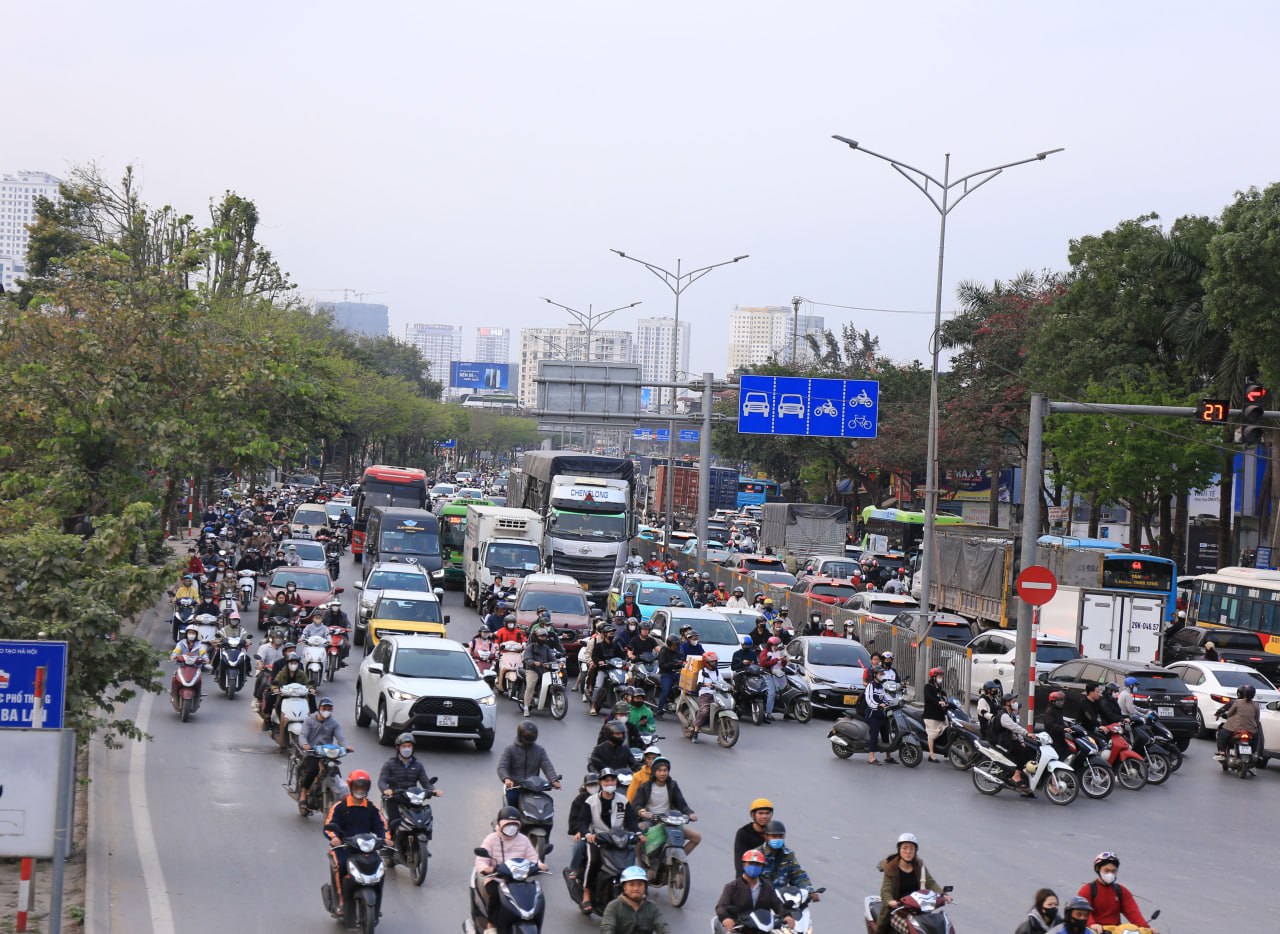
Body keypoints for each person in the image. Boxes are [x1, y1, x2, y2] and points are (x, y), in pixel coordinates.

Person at [322, 770, 390, 922]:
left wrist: (386, 839)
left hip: (366, 846)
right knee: (340, 865)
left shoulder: (371, 808)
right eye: (357, 786)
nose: (360, 790)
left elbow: (381, 826)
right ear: (351, 786)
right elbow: (329, 826)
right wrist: (335, 838)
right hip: (343, 847)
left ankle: (376, 905)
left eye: (363, 787)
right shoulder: (340, 806)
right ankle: (340, 902)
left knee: (380, 868)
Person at [569, 767, 639, 914]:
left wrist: (637, 833)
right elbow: (582, 821)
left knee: (630, 862)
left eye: (612, 780)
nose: (609, 783)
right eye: (606, 780)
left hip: (619, 839)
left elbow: (631, 820)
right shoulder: (591, 801)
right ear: (601, 783)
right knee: (593, 861)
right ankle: (586, 894)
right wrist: (588, 833)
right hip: (598, 839)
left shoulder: (623, 800)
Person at [472, 806, 546, 932]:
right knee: (496, 895)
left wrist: (540, 865)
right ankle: (491, 926)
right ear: (500, 824)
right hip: (496, 879)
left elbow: (532, 857)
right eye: (508, 824)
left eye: (514, 824)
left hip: (519, 880)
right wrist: (486, 868)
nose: (511, 827)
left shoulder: (523, 840)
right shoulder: (492, 839)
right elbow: (480, 860)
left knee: (535, 895)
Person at [876, 833, 947, 934]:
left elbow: (931, 883)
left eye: (911, 848)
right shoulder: (891, 868)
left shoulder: (919, 866)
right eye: (905, 848)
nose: (908, 852)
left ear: (915, 851)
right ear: (899, 849)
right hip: (898, 909)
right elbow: (886, 890)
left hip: (918, 908)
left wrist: (943, 894)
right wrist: (890, 901)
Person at [632, 756, 701, 855]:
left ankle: (678, 860)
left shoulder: (672, 785)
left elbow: (682, 804)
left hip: (670, 821)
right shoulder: (645, 786)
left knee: (696, 837)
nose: (662, 773)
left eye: (665, 770)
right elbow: (636, 805)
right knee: (638, 833)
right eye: (659, 770)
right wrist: (643, 812)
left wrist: (690, 814)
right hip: (652, 820)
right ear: (654, 771)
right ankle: (641, 863)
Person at [715, 849, 794, 930]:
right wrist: (726, 918)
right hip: (740, 928)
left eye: (758, 864)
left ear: (762, 866)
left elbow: (777, 904)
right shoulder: (732, 886)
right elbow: (721, 907)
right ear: (744, 864)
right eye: (751, 863)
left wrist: (786, 916)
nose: (754, 867)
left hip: (764, 928)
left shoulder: (767, 886)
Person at [1077, 852, 1156, 932]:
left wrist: (1147, 929)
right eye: (1106, 870)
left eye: (1113, 871)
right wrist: (1092, 924)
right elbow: (1081, 911)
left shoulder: (1121, 891)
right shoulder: (1087, 890)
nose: (1110, 874)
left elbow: (1133, 913)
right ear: (1098, 869)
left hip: (1116, 931)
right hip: (1093, 931)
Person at [378, 733, 441, 831]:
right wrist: (386, 790)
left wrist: (433, 790)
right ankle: (392, 838)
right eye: (404, 746)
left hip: (413, 798)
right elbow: (382, 781)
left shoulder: (418, 766)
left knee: (424, 822)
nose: (407, 749)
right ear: (398, 748)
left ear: (413, 748)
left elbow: (425, 782)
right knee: (394, 823)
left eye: (409, 746)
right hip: (395, 798)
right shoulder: (390, 764)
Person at [296, 697, 352, 807]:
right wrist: (305, 744)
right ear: (319, 708)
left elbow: (341, 738)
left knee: (336, 772)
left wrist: (346, 746)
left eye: (329, 708)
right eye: (324, 708)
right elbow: (303, 735)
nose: (326, 710)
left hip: (327, 754)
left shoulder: (334, 723)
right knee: (312, 770)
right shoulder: (309, 720)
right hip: (312, 753)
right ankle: (303, 793)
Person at [497, 720, 561, 807]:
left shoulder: (540, 751)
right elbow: (502, 766)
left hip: (533, 787)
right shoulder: (510, 750)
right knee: (511, 800)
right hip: (515, 786)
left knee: (548, 802)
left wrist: (554, 780)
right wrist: (507, 779)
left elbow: (547, 766)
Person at [600, 865, 672, 934]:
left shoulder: (652, 907)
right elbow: (607, 929)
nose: (636, 888)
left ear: (645, 887)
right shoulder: (613, 907)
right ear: (624, 887)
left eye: (640, 884)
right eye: (631, 885)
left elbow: (663, 927)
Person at [991, 692, 1038, 794]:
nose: (1016, 703)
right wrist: (1027, 733)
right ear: (1007, 703)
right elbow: (1014, 727)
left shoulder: (1011, 714)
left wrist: (1021, 741)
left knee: (1030, 750)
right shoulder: (1004, 715)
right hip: (1003, 742)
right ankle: (1016, 776)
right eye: (1013, 701)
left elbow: (1017, 728)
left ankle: (1023, 775)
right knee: (1023, 752)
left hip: (1010, 740)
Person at [759, 820, 817, 893]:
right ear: (766, 836)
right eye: (774, 836)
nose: (777, 839)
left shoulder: (788, 855)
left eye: (780, 836)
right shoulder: (757, 854)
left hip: (782, 896)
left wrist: (809, 890)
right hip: (761, 896)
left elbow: (798, 874)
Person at [567, 772, 600, 885]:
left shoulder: (605, 797)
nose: (593, 787)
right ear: (585, 786)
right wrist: (578, 831)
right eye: (590, 785)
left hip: (603, 832)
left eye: (595, 784)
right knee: (578, 846)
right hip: (585, 832)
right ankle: (574, 869)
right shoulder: (580, 799)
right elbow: (574, 819)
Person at [1215, 683, 1261, 760]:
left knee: (1221, 734)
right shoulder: (1256, 704)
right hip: (1250, 729)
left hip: (1235, 728)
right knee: (1256, 737)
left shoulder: (1237, 702)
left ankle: (1222, 751)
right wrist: (1254, 726)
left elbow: (1229, 714)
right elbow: (1257, 718)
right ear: (1253, 695)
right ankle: (1254, 752)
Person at [521, 625, 559, 716]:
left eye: (544, 636)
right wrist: (533, 662)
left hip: (544, 670)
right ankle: (526, 708)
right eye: (541, 636)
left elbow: (552, 658)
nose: (543, 638)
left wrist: (557, 662)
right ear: (536, 637)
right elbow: (526, 659)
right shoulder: (531, 647)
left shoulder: (546, 648)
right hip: (532, 670)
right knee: (530, 687)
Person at [731, 798, 775, 869]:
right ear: (753, 814)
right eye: (760, 813)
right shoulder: (744, 833)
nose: (764, 816)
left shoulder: (774, 831)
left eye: (767, 813)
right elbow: (740, 861)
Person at [688, 651, 719, 742]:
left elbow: (721, 681)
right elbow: (699, 683)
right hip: (705, 693)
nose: (714, 663)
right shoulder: (703, 671)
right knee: (704, 710)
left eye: (715, 661)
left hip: (716, 694)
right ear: (707, 662)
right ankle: (696, 731)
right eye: (712, 661)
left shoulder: (717, 671)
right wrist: (706, 684)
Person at [863, 667, 891, 765]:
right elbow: (869, 700)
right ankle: (871, 757)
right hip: (872, 714)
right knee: (874, 734)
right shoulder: (871, 685)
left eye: (883, 673)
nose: (882, 675)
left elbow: (885, 697)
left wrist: (892, 702)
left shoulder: (881, 686)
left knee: (886, 733)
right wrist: (878, 705)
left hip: (881, 713)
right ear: (875, 674)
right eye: (880, 673)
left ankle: (888, 756)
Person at [922, 667, 948, 763]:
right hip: (931, 715)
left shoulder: (939, 688)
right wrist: (938, 702)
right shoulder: (928, 687)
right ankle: (931, 754)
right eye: (939, 676)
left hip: (940, 715)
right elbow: (928, 698)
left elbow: (944, 697)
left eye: (941, 676)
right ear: (933, 677)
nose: (941, 678)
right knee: (932, 734)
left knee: (946, 730)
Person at [655, 634, 682, 718]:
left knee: (685, 686)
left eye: (677, 645)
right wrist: (674, 663)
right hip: (666, 674)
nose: (675, 646)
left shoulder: (677, 652)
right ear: (670, 644)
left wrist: (681, 663)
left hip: (675, 673)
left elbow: (680, 660)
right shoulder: (664, 652)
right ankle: (659, 712)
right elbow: (662, 665)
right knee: (665, 691)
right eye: (674, 645)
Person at [1044, 690, 1071, 759]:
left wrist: (1068, 726)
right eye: (1060, 700)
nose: (1062, 702)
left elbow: (1060, 722)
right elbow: (1051, 725)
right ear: (1053, 701)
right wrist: (1063, 728)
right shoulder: (1050, 711)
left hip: (1060, 737)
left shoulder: (1058, 710)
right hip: (1053, 739)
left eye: (1063, 700)